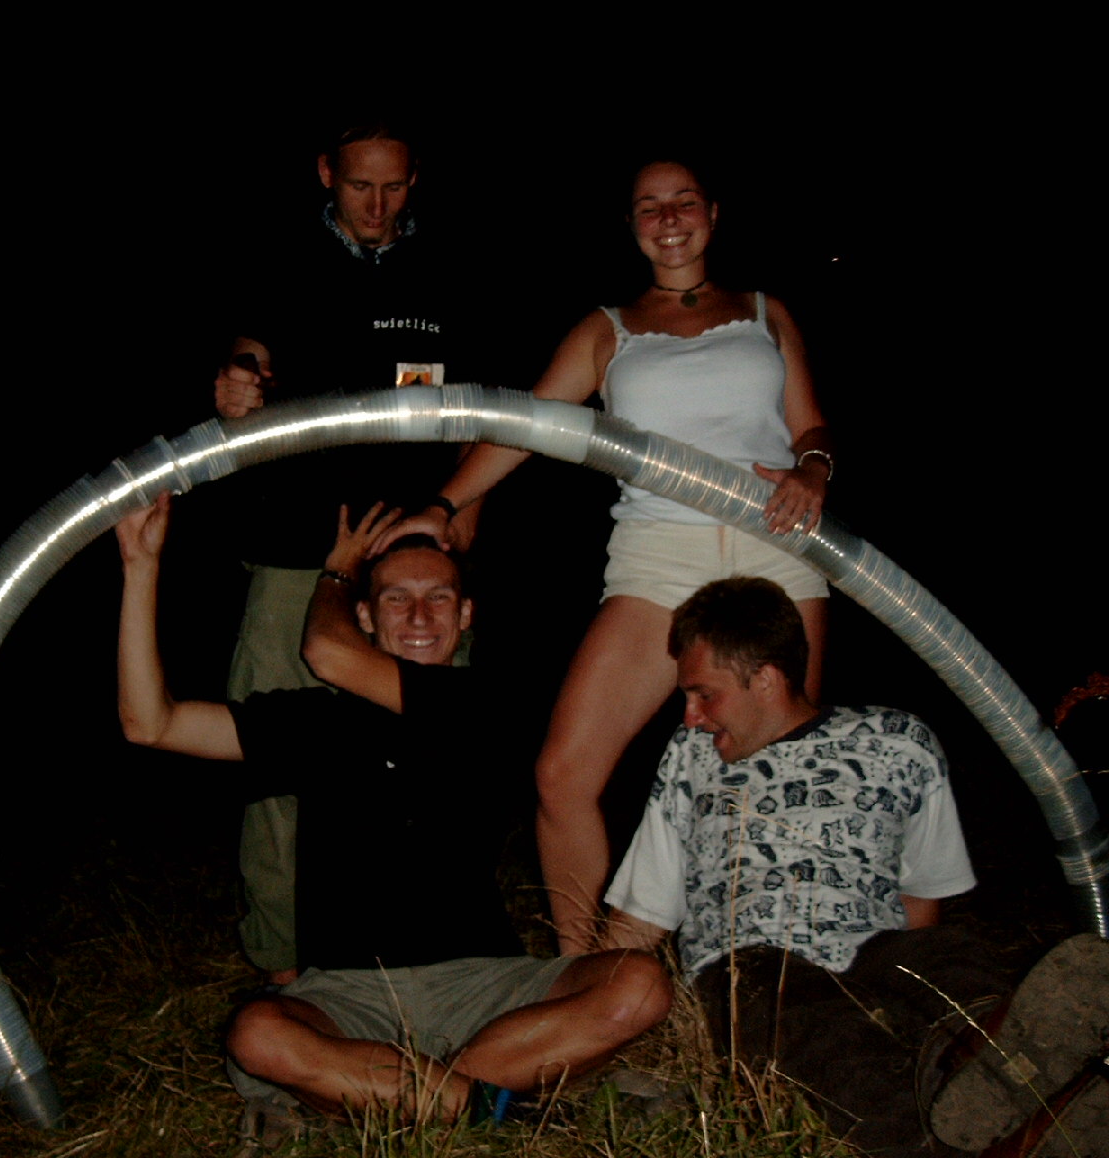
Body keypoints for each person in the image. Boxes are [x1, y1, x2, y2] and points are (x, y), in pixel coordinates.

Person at [376, 159, 833, 951]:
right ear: (631, 225)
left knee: (779, 772)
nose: (669, 218)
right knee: (562, 774)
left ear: (713, 213)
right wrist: (444, 504)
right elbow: (527, 424)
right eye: (649, 207)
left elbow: (811, 427)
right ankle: (583, 971)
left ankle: (768, 975)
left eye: (683, 202)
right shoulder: (606, 330)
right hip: (657, 556)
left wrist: (815, 469)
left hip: (776, 545)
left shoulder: (767, 313)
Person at [115, 492, 670, 1131]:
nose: (419, 616)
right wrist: (140, 566)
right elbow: (150, 724)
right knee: (259, 1032)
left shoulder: (493, 706)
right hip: (349, 994)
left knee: (640, 984)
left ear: (466, 614)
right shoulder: (316, 723)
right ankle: (489, 1105)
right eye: (396, 598)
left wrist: (335, 573)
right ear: (367, 617)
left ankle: (398, 1092)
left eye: (439, 598)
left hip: (487, 986)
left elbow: (326, 651)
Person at [601, 578, 1109, 1157]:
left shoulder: (898, 742)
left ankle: (1006, 1058)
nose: (691, 717)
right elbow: (643, 911)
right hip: (750, 970)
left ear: (766, 678)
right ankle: (972, 1139)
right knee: (810, 1026)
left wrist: (914, 986)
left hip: (873, 950)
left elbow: (922, 899)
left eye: (704, 695)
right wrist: (590, 1004)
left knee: (946, 958)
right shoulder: (691, 757)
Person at [213, 122, 490, 983]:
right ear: (326, 172)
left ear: (416, 179)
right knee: (278, 765)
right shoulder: (278, 259)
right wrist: (238, 382)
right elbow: (251, 353)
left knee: (435, 762)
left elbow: (482, 410)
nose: (378, 206)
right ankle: (284, 967)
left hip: (413, 553)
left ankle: (437, 956)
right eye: (360, 186)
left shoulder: (449, 269)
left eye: (395, 187)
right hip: (299, 548)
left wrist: (463, 514)